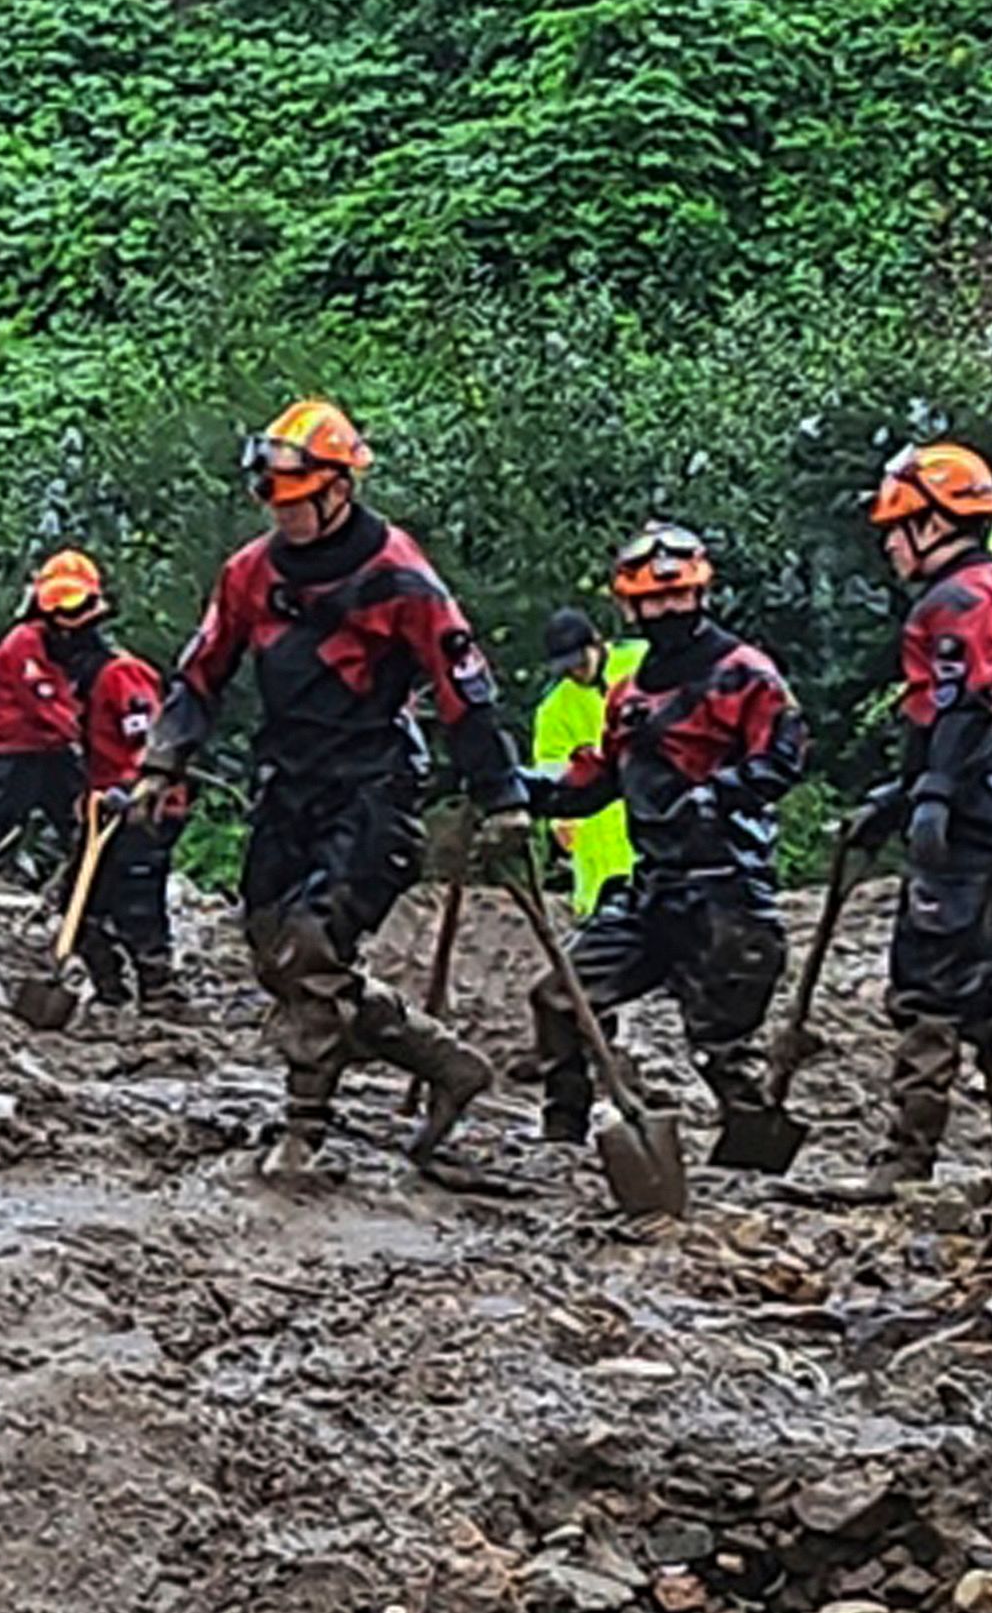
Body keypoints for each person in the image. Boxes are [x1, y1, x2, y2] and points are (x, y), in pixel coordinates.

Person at [137, 401, 522, 1179]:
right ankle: (442, 1061)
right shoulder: (251, 573)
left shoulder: (400, 578)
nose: (285, 517)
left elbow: (462, 686)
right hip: (289, 778)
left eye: (296, 500)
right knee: (274, 951)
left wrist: (503, 793)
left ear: (339, 488)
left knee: (314, 943)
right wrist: (163, 759)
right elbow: (202, 672)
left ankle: (304, 1131)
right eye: (272, 501)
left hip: (373, 779)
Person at [527, 526, 802, 1152]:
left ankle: (754, 1158)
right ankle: (562, 1137)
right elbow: (599, 776)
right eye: (655, 602)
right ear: (631, 607)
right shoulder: (630, 693)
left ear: (702, 596)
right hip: (652, 889)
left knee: (724, 1049)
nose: (669, 612)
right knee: (560, 998)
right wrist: (528, 790)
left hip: (727, 888)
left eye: (679, 599)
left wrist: (718, 794)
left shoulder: (745, 674)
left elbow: (782, 760)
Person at [864, 441, 992, 1179]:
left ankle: (906, 1161)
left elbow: (963, 703)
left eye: (898, 526)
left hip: (976, 813)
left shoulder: (955, 600)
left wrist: (936, 796)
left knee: (928, 983)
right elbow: (951, 714)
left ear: (934, 525)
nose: (889, 543)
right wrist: (900, 793)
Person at [22, 558, 174, 1005]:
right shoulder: (85, 680)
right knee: (78, 904)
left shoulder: (121, 674)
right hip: (106, 803)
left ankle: (161, 991)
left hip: (147, 803)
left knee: (137, 902)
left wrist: (130, 787)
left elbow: (150, 741)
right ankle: (111, 990)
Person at [0, 554, 112, 875]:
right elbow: (46, 703)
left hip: (56, 748)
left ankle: (82, 883)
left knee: (77, 819)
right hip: (15, 750)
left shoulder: (85, 644)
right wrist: (85, 735)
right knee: (1, 825)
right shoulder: (24, 643)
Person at [530, 604, 639, 920]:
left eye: (580, 662)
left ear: (597, 642)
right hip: (597, 844)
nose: (576, 672)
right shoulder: (554, 709)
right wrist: (558, 821)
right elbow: (549, 767)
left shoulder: (642, 663)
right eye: (567, 667)